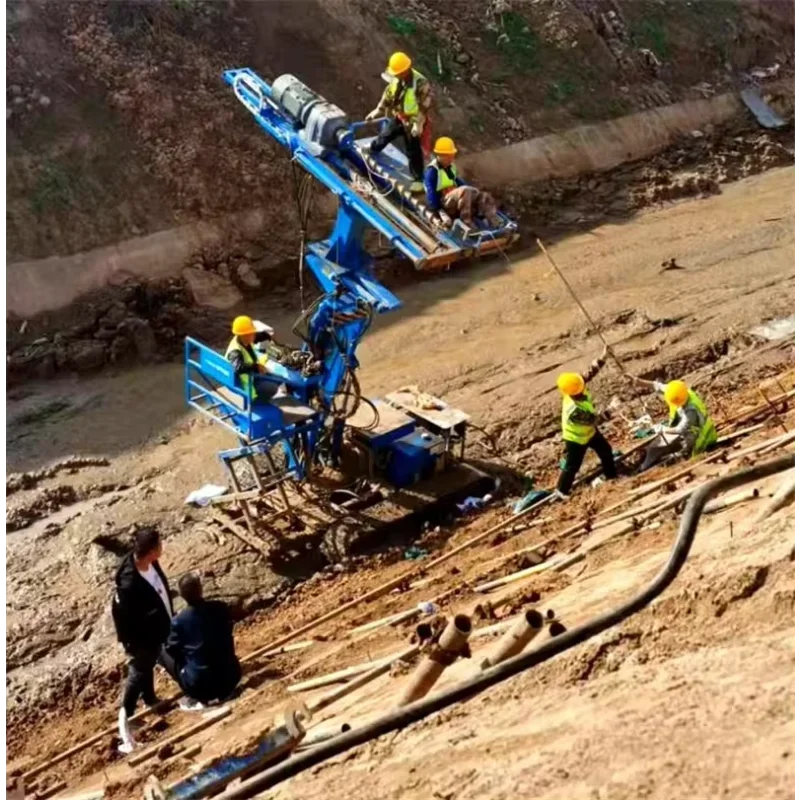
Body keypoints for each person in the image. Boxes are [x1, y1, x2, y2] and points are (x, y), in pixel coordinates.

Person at [112, 527, 174, 754]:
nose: (162, 547)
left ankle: (149, 699)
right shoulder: (129, 583)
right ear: (151, 550)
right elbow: (127, 618)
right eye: (159, 544)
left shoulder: (151, 564)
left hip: (157, 625)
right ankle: (126, 714)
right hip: (140, 635)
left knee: (147, 665)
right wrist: (135, 643)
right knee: (140, 668)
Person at [163, 573, 242, 709]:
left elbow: (172, 649)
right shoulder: (220, 607)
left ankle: (192, 695)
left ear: (181, 596)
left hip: (201, 687)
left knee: (163, 652)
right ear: (201, 590)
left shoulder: (178, 621)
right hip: (231, 676)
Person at [555, 346, 618, 498]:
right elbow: (594, 421)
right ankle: (561, 491)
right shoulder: (574, 410)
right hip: (576, 439)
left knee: (606, 451)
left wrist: (603, 357)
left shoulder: (575, 388)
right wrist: (612, 408)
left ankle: (612, 477)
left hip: (588, 433)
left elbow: (589, 373)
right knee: (572, 466)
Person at [365, 51, 433, 191]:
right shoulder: (396, 79)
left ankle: (418, 180)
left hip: (413, 121)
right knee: (386, 134)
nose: (395, 75)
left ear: (406, 70)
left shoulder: (421, 83)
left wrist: (419, 124)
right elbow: (388, 94)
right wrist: (377, 110)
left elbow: (424, 106)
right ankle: (373, 148)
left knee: (413, 150)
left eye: (398, 73)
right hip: (400, 117)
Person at [630, 377, 717, 472]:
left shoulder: (691, 411)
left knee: (664, 445)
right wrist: (638, 382)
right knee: (657, 439)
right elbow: (657, 386)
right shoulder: (677, 391)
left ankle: (683, 452)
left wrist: (663, 429)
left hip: (702, 437)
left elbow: (680, 429)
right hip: (688, 429)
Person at [423, 137, 503, 230]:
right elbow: (431, 194)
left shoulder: (449, 167)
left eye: (452, 155)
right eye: (449, 156)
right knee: (465, 190)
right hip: (444, 202)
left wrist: (474, 193)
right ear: (441, 155)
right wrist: (438, 211)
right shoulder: (432, 171)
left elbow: (457, 181)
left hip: (455, 199)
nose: (452, 158)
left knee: (483, 195)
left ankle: (495, 221)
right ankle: (467, 223)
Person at [226, 315, 278, 402]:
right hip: (246, 383)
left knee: (277, 378)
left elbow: (256, 337)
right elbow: (238, 367)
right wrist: (256, 367)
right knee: (273, 387)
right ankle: (259, 401)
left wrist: (268, 336)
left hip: (252, 374)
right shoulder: (235, 352)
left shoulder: (243, 339)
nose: (254, 335)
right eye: (251, 333)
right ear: (244, 335)